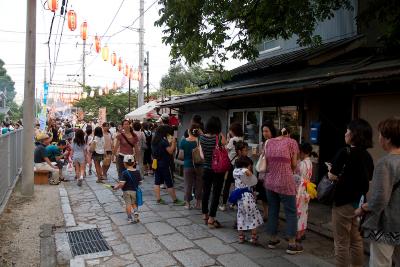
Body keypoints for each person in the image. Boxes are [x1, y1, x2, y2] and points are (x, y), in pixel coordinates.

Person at [355, 117, 400, 267]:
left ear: (388, 138)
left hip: (386, 224)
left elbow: (380, 199)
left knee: (380, 263)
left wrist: (362, 208)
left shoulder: (385, 163)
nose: (379, 138)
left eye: (380, 134)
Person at [328, 119, 374, 267]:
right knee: (356, 240)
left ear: (354, 134)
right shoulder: (367, 156)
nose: (345, 133)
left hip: (342, 202)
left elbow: (333, 175)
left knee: (341, 243)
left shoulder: (345, 152)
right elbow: (370, 177)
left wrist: (331, 171)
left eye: (348, 130)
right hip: (359, 203)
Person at [264, 127, 302, 254]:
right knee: (291, 211)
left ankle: (272, 240)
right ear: (289, 134)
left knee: (273, 209)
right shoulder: (292, 142)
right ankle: (291, 244)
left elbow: (267, 162)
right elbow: (294, 164)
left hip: (270, 181)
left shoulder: (269, 142)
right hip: (285, 181)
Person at [199, 116, 227, 228]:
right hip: (217, 169)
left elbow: (202, 154)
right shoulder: (219, 137)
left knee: (205, 192)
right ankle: (211, 218)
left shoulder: (201, 138)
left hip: (206, 169)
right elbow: (226, 145)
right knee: (216, 193)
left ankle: (205, 214)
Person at [151, 124, 185, 205]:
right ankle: (175, 200)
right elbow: (170, 151)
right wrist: (174, 142)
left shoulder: (154, 140)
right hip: (164, 164)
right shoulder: (163, 141)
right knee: (169, 182)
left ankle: (158, 199)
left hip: (156, 162)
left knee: (157, 182)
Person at [233, 156, 263, 244]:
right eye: (250, 166)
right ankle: (254, 238)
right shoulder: (244, 170)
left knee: (240, 216)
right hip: (247, 197)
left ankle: (241, 237)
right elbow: (248, 174)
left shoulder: (235, 171)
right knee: (253, 216)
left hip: (239, 198)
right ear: (246, 165)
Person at [220, 122, 244, 211]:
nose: (229, 131)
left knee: (227, 185)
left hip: (231, 164)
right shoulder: (241, 139)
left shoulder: (233, 139)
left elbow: (226, 149)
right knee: (236, 185)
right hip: (238, 164)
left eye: (230, 130)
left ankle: (223, 204)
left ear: (233, 131)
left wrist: (226, 140)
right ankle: (234, 204)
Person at [179, 123, 203, 209]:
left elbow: (181, 156)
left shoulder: (184, 141)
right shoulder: (200, 140)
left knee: (188, 184)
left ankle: (188, 204)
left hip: (188, 165)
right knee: (199, 184)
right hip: (199, 165)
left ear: (189, 131)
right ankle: (198, 204)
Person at [257, 121, 277, 221]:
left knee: (271, 196)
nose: (264, 133)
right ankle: (266, 214)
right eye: (263, 131)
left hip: (271, 173)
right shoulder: (264, 142)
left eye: (267, 131)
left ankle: (271, 216)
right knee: (264, 195)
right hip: (263, 173)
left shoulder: (275, 142)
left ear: (272, 131)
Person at [294, 142, 314, 242]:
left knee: (298, 212)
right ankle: (302, 233)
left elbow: (296, 176)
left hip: (300, 189)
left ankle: (298, 235)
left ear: (302, 152)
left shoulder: (301, 164)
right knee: (304, 212)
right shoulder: (310, 162)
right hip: (307, 189)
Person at [113, 155, 142, 223]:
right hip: (134, 191)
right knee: (134, 203)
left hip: (126, 191)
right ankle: (135, 211)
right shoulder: (137, 172)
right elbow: (140, 182)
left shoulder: (124, 173)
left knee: (128, 204)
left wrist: (116, 187)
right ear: (134, 163)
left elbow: (122, 184)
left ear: (124, 163)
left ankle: (129, 218)